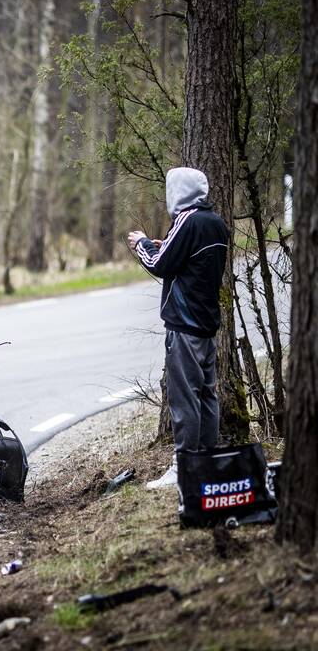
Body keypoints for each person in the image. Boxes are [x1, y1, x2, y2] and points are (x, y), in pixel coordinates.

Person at [127, 166, 230, 490]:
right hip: (206, 323)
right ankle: (207, 462)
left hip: (183, 325)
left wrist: (142, 243)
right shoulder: (215, 223)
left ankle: (183, 467)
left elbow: (160, 264)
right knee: (206, 397)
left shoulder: (187, 220)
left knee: (185, 399)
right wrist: (165, 245)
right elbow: (186, 261)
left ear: (179, 192)